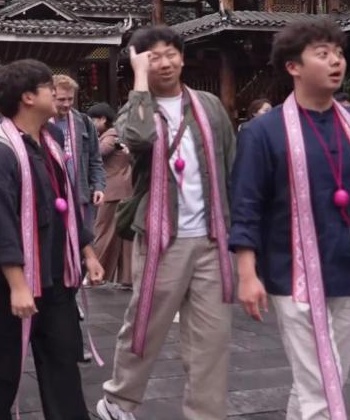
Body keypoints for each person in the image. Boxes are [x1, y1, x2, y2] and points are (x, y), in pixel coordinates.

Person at [231, 19, 350, 420]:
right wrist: (247, 274)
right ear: (293, 67)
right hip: (293, 272)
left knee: (323, 380)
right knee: (320, 382)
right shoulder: (263, 132)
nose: (336, 61)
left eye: (338, 53)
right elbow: (247, 205)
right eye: (322, 54)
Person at [96, 27, 236, 420]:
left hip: (212, 237)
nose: (165, 62)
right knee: (146, 324)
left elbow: (231, 165)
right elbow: (138, 138)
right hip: (163, 237)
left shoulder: (209, 106)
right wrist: (139, 80)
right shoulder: (135, 109)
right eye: (153, 56)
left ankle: (205, 413)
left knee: (212, 336)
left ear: (182, 57)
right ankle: (118, 400)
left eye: (171, 53)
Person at [0, 59, 103, 420]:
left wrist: (87, 251)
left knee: (62, 363)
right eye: (48, 88)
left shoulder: (50, 142)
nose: (56, 94)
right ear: (28, 97)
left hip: (54, 275)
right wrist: (18, 284)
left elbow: (65, 204)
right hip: (6, 284)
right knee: (0, 371)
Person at [87, 103, 133, 288]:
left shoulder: (110, 137)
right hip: (123, 189)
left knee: (103, 232)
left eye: (93, 120)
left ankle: (96, 273)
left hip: (112, 191)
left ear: (102, 119)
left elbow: (98, 153)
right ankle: (127, 277)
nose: (90, 123)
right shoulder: (117, 136)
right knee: (123, 237)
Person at [52, 75, 105, 232]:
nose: (67, 104)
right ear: (51, 96)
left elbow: (95, 159)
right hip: (53, 198)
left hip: (80, 196)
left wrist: (98, 186)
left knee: (84, 240)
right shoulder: (41, 123)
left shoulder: (84, 122)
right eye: (62, 99)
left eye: (70, 99)